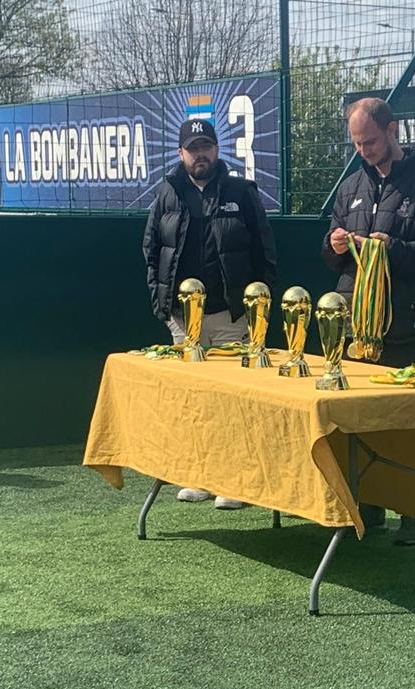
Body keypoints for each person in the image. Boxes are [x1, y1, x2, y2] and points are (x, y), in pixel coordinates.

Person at [322, 97, 415, 546]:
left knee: (406, 425)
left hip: (406, 324)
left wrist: (391, 248)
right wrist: (335, 245)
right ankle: (366, 506)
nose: (364, 150)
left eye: (370, 141)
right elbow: (331, 257)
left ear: (392, 130)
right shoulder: (351, 184)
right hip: (357, 325)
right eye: (357, 143)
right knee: (357, 423)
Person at [143, 118, 277, 509]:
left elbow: (264, 252)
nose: (200, 155)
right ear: (181, 153)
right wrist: (162, 304)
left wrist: (256, 310)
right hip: (184, 320)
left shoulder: (241, 192)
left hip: (231, 316)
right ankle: (200, 475)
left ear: (217, 150)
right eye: (193, 148)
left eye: (206, 147)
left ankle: (236, 482)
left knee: (233, 402)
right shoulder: (167, 193)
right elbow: (152, 251)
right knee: (193, 403)